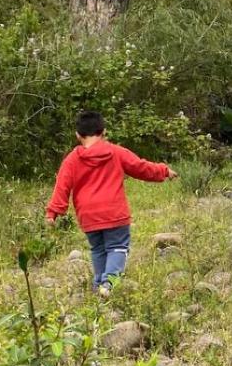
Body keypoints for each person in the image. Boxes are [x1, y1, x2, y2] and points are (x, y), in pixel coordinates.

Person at [46, 110, 176, 297]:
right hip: (114, 212)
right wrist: (163, 171)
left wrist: (53, 212)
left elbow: (62, 185)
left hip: (88, 216)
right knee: (118, 247)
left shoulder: (72, 160)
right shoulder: (116, 152)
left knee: (98, 249)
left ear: (77, 135)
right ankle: (109, 283)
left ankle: (99, 285)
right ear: (103, 131)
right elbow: (140, 167)